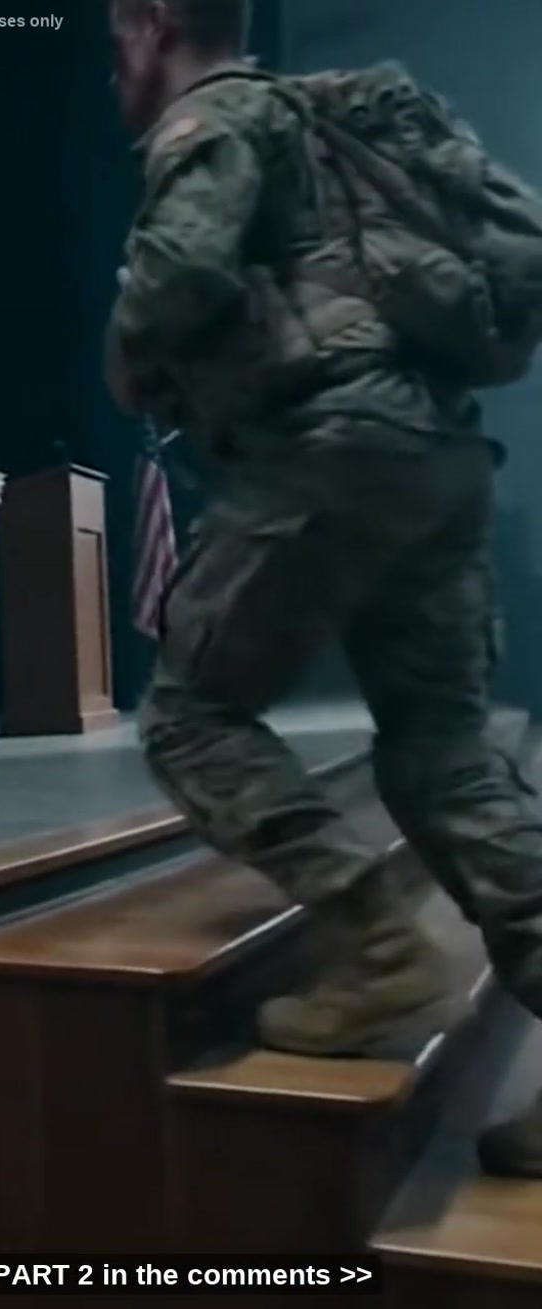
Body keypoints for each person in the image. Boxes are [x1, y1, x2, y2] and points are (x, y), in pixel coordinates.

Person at [106, 0, 542, 1178]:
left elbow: (180, 275)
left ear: (152, 25)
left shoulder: (214, 118)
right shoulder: (337, 126)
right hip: (436, 454)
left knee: (193, 719)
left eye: (116, 40)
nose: (115, 69)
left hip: (327, 448)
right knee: (444, 754)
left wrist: (132, 352)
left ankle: (376, 945)